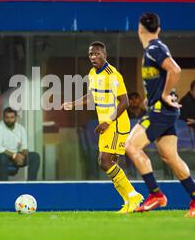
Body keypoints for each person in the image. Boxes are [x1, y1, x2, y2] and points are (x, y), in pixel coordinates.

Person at [125, 12, 195, 218]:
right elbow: (164, 75)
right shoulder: (156, 48)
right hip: (165, 110)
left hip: (160, 111)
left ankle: (156, 194)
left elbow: (175, 70)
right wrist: (153, 96)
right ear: (158, 29)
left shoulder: (154, 49)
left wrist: (163, 95)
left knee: (131, 146)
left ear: (139, 29)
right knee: (169, 156)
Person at [61, 41, 144, 214]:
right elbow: (91, 97)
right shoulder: (92, 73)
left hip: (116, 123)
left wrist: (108, 120)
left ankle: (132, 195)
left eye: (97, 53)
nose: (93, 57)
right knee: (109, 163)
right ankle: (130, 201)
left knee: (104, 162)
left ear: (105, 55)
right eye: (91, 54)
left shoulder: (112, 74)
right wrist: (73, 104)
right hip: (107, 124)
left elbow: (125, 102)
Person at [0, 107, 40, 181]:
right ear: (4, 117)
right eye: (7, 117)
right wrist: (14, 156)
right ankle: (4, 186)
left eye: (12, 117)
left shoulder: (21, 129)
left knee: (35, 156)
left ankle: (31, 184)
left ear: (16, 118)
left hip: (12, 156)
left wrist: (22, 156)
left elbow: (24, 147)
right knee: (3, 157)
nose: (9, 120)